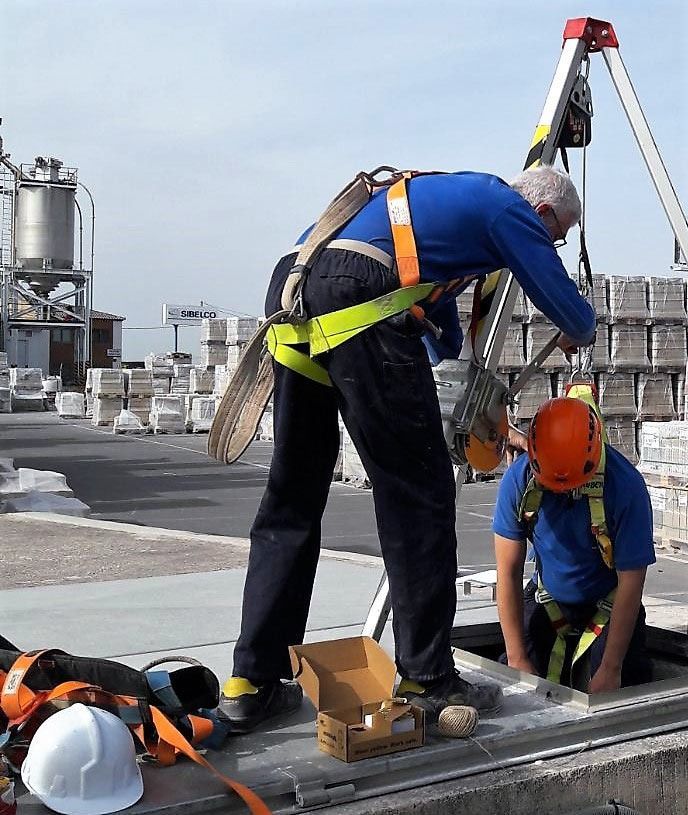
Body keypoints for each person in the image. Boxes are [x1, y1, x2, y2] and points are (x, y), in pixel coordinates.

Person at [219, 165, 597, 732]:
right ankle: (427, 679)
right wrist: (577, 325)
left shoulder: (435, 212)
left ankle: (252, 681)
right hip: (358, 294)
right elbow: (573, 312)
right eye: (559, 235)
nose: (554, 243)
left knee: (292, 498)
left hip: (297, 287)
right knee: (417, 493)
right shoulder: (507, 208)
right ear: (541, 213)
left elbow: (436, 320)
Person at [492, 393, 655, 692]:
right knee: (516, 681)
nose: (565, 492)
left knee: (624, 686)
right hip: (549, 597)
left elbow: (631, 582)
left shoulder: (625, 486)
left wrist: (611, 668)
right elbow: (508, 571)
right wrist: (516, 658)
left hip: (608, 601)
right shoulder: (520, 479)